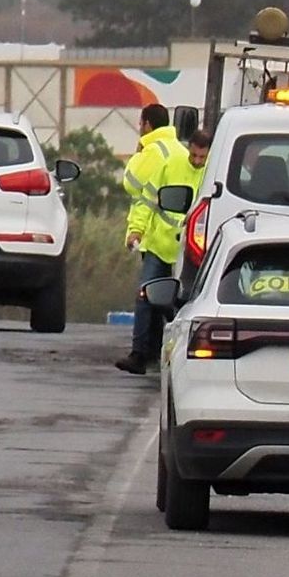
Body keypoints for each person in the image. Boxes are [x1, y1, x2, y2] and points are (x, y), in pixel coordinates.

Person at [115, 104, 182, 375]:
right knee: (172, 300)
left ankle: (140, 354)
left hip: (158, 237)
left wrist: (138, 153)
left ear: (147, 125)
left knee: (147, 297)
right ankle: (161, 353)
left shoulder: (155, 150)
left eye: (141, 124)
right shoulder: (181, 150)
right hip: (182, 240)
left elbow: (132, 184)